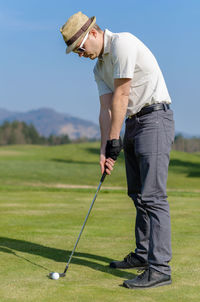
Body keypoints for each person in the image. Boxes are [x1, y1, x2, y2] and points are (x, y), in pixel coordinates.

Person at [60, 11, 175, 289]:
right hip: (134, 123)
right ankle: (142, 254)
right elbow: (106, 109)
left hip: (154, 118)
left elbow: (123, 94)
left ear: (95, 33)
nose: (80, 54)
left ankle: (160, 268)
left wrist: (115, 140)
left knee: (153, 196)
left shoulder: (123, 43)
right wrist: (104, 149)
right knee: (137, 193)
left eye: (80, 47)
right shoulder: (99, 68)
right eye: (75, 51)